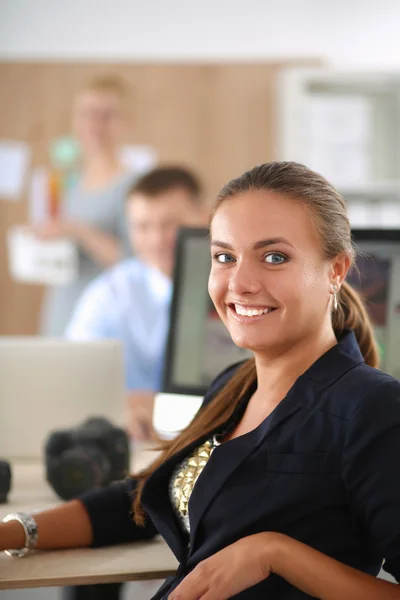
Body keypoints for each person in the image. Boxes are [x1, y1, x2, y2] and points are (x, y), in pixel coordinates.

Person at [2, 162, 400, 600]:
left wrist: (276, 554)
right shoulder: (234, 386)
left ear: (336, 271)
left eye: (274, 257)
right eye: (224, 257)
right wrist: (17, 530)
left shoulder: (373, 409)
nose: (240, 283)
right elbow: (142, 499)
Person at [66, 165, 205, 439]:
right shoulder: (108, 294)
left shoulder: (238, 290)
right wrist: (120, 403)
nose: (157, 240)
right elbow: (73, 377)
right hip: (134, 441)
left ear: (205, 218)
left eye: (171, 224)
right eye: (143, 226)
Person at [37, 75, 135, 336]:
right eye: (88, 114)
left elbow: (134, 262)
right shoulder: (72, 181)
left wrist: (79, 231)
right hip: (62, 309)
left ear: (125, 122)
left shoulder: (133, 185)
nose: (95, 125)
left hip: (103, 319)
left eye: (107, 115)